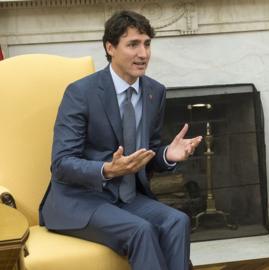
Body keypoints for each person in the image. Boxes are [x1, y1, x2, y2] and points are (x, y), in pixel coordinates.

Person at [39, 10, 202, 270]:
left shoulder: (154, 92)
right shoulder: (81, 92)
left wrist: (167, 155)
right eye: (133, 44)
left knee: (177, 221)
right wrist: (106, 169)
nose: (143, 54)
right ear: (110, 47)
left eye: (147, 43)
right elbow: (61, 163)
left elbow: (146, 155)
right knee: (141, 230)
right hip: (81, 200)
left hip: (127, 197)